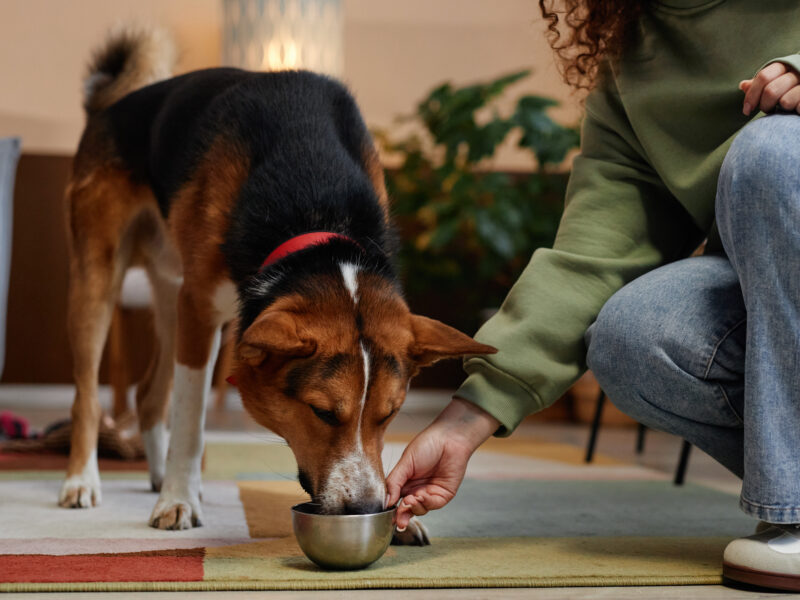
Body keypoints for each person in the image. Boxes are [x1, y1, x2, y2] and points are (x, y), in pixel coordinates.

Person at [386, 0, 800, 590]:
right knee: (634, 337)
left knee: (774, 153)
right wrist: (460, 424)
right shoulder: (635, 57)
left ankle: (793, 512)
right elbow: (593, 257)